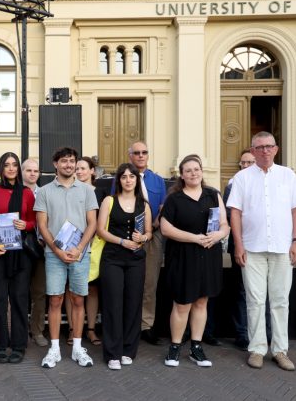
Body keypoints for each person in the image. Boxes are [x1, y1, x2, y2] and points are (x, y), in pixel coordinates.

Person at [227, 131, 296, 371]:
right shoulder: (242, 178)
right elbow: (235, 213)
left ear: (276, 149)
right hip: (252, 248)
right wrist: (238, 244)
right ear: (253, 149)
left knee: (280, 300)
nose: (265, 151)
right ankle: (257, 349)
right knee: (255, 300)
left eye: (269, 146)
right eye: (259, 147)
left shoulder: (288, 176)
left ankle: (280, 350)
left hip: (282, 247)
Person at [160, 154, 229, 368]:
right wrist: (194, 238)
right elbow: (165, 228)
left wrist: (218, 235)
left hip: (208, 255)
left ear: (201, 171)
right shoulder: (174, 198)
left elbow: (225, 224)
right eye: (188, 170)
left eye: (196, 169)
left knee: (201, 301)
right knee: (182, 304)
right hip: (183, 256)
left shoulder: (213, 194)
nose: (193, 173)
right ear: (181, 175)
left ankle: (196, 347)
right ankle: (175, 347)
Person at [35, 147, 98, 368]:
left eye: (72, 161)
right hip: (54, 255)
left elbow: (93, 223)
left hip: (81, 254)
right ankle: (54, 350)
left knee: (79, 299)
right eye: (64, 161)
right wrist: (57, 250)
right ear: (55, 164)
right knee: (55, 300)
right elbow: (42, 225)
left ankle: (78, 348)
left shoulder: (87, 190)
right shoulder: (44, 191)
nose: (69, 165)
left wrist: (80, 248)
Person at [97, 163, 153, 370]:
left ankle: (128, 350)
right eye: (124, 177)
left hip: (136, 259)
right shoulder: (109, 201)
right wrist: (122, 241)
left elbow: (149, 231)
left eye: (132, 176)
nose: (128, 180)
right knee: (113, 304)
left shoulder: (144, 205)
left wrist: (143, 237)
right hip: (112, 257)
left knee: (133, 303)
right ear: (118, 180)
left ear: (137, 180)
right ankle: (112, 352)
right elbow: (100, 230)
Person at [0, 152, 36, 363]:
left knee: (20, 299)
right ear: (1, 168)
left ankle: (19, 344)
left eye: (14, 165)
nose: (11, 168)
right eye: (7, 165)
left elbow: (33, 221)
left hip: (21, 254)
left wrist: (27, 225)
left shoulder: (27, 194)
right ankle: (0, 344)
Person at [127, 142, 167, 346]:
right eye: (136, 153)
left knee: (150, 283)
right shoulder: (123, 177)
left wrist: (155, 222)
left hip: (152, 236)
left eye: (144, 153)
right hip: (128, 237)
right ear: (130, 156)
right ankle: (129, 324)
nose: (141, 156)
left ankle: (146, 325)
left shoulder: (158, 180)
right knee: (129, 282)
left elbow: (162, 205)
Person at [65, 156, 102, 346]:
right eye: (77, 168)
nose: (79, 171)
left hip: (95, 245)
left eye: (83, 168)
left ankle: (91, 329)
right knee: (71, 289)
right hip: (72, 245)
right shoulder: (68, 191)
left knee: (92, 289)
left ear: (92, 171)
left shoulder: (101, 193)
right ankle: (72, 328)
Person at [222, 149, 256, 351]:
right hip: (240, 243)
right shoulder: (233, 184)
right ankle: (242, 334)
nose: (245, 166)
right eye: (243, 163)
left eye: (249, 162)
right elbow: (229, 212)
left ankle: (265, 333)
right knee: (241, 291)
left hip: (261, 244)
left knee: (263, 292)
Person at [23, 158, 48, 348]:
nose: (32, 174)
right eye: (28, 170)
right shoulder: (15, 193)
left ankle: (37, 330)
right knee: (20, 292)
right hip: (19, 249)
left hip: (41, 249)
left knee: (39, 292)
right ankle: (20, 330)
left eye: (36, 171)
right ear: (22, 172)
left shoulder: (46, 193)